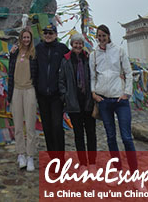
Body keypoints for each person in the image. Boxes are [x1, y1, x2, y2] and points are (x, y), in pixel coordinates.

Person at [89, 24, 142, 188]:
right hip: (103, 101)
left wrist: (127, 93)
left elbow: (128, 72)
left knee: (126, 137)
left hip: (120, 100)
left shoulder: (119, 51)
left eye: (104, 35)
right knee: (111, 137)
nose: (101, 38)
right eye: (99, 36)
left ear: (109, 35)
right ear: (96, 37)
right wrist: (93, 93)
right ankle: (118, 171)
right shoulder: (94, 55)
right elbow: (92, 76)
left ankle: (135, 176)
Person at [59, 33, 97, 174]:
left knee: (91, 133)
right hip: (74, 103)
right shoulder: (66, 60)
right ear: (72, 44)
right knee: (78, 134)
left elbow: (95, 76)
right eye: (75, 43)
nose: (78, 46)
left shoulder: (88, 59)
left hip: (88, 102)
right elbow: (61, 81)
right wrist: (66, 97)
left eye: (80, 43)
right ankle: (83, 164)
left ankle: (92, 163)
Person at [35, 24, 69, 158]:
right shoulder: (38, 49)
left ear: (55, 34)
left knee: (57, 126)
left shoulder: (62, 49)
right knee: (47, 127)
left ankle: (60, 157)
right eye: (46, 33)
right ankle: (52, 157)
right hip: (42, 94)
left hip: (56, 95)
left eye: (50, 33)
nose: (48, 35)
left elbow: (72, 63)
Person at [8, 28, 38, 171]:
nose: (26, 40)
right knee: (18, 125)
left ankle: (30, 155)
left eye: (28, 37)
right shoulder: (14, 53)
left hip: (29, 90)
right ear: (20, 38)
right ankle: (21, 154)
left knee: (31, 125)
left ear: (31, 39)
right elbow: (10, 74)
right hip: (16, 90)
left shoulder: (34, 54)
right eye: (24, 37)